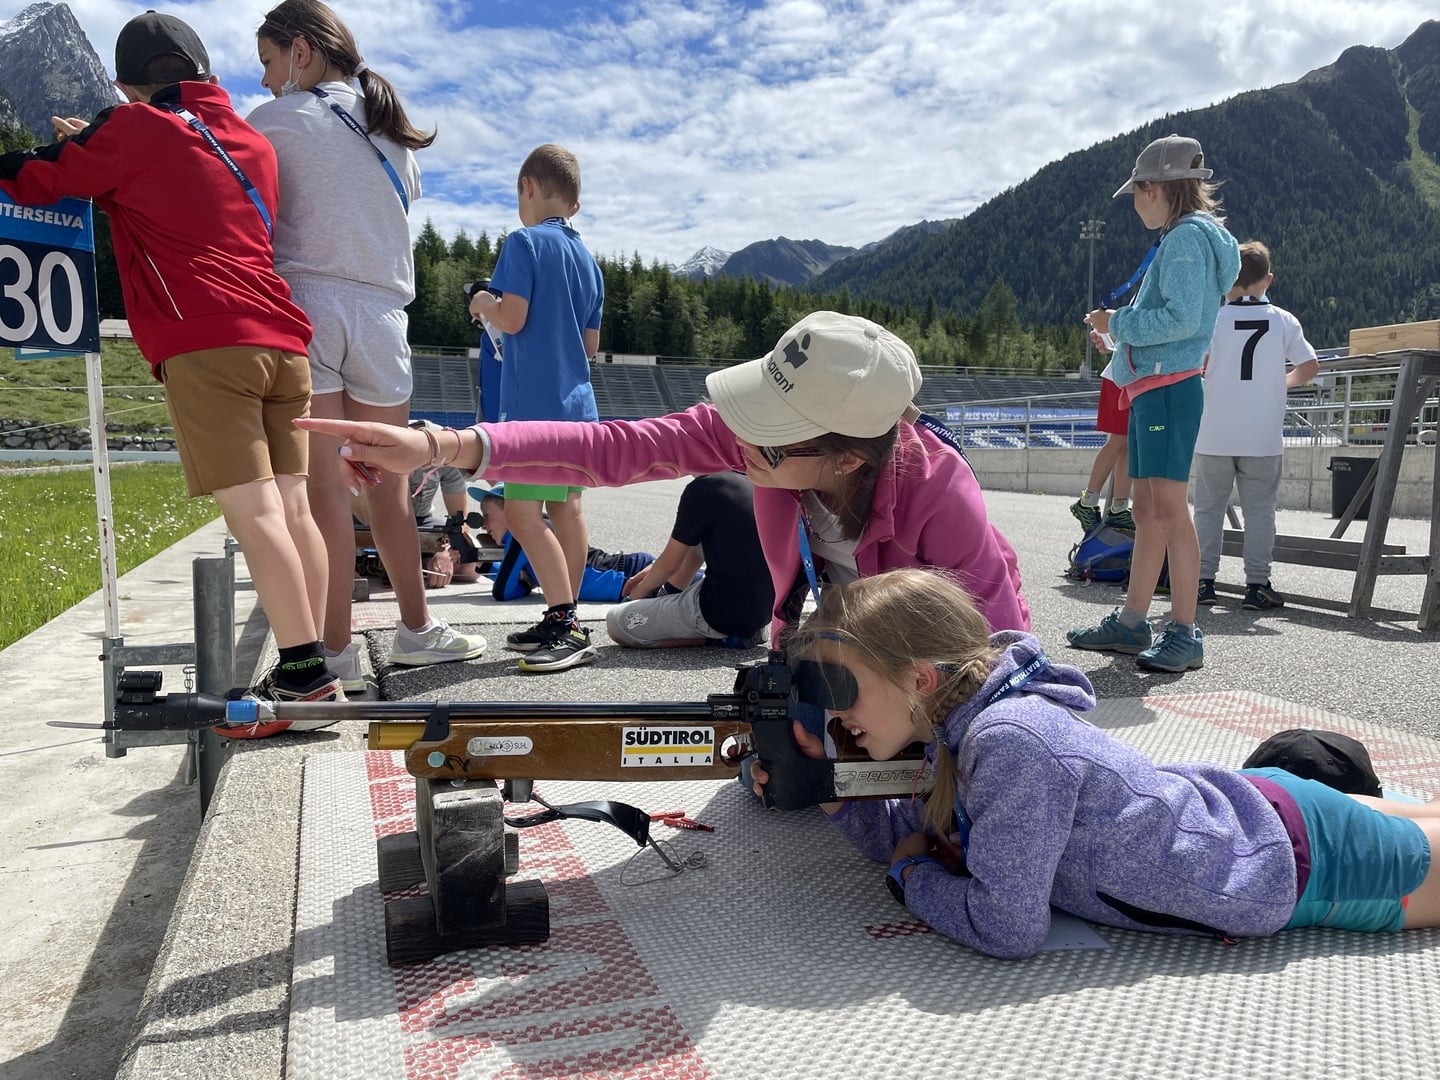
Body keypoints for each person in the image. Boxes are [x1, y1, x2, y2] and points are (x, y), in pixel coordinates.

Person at [752, 568, 1440, 961]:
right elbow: (923, 824)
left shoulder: (1007, 743)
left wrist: (914, 874)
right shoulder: (962, 728)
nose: (833, 713)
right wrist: (829, 788)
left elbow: (1005, 924)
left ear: (921, 680)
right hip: (1260, 814)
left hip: (1291, 858)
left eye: (838, 689)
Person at [296, 310, 1032, 647]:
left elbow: (1000, 649)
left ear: (847, 459)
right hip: (840, 628)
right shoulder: (769, 439)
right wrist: (436, 444)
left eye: (765, 436)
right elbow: (612, 448)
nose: (739, 442)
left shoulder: (943, 493)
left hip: (935, 651)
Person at [1, 11, 342, 734]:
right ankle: (314, 665)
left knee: (252, 514)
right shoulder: (250, 140)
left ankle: (306, 684)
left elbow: (37, 178)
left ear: (128, 84)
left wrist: (88, 140)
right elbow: (183, 173)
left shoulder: (130, 131)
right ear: (203, 73)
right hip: (283, 344)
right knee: (294, 508)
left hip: (207, 344)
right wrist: (99, 140)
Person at [249, 0, 485, 693]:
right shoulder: (395, 137)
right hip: (383, 315)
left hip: (307, 305)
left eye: (267, 62)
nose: (264, 81)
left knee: (324, 489)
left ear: (301, 52)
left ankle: (336, 650)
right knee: (390, 483)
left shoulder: (275, 121)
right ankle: (416, 632)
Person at [1069, 134, 1240, 673]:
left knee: (1167, 511)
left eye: (1138, 193)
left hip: (1169, 390)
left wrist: (1117, 322)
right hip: (1155, 389)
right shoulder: (1187, 237)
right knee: (1145, 511)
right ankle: (1132, 621)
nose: (1137, 204)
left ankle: (1184, 631)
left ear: (1155, 188)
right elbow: (1176, 323)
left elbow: (1183, 319)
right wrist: (1120, 341)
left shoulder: (1186, 239)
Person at [465, 143, 604, 674]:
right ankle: (565, 616)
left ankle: (563, 620)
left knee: (523, 514)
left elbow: (514, 318)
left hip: (534, 411)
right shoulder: (590, 264)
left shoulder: (522, 243)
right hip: (578, 408)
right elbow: (589, 349)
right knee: (568, 511)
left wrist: (483, 302)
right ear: (573, 203)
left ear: (528, 186)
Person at [1194, 241, 1318, 610]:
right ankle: (1257, 585)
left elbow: (1193, 365)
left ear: (1226, 281)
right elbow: (1309, 365)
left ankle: (1201, 582)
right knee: (1260, 511)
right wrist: (1281, 382)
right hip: (1262, 436)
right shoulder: (1283, 320)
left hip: (1214, 433)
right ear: (1269, 280)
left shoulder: (1212, 319)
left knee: (1207, 510)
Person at [610, 472, 773, 649]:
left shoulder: (703, 488)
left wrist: (634, 598)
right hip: (762, 613)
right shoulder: (749, 479)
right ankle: (669, 595)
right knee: (696, 541)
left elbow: (668, 565)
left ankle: (723, 638)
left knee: (617, 622)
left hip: (722, 615)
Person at [470, 484, 666, 612]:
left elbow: (502, 592)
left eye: (486, 516)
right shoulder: (534, 532)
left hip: (629, 573)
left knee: (692, 586)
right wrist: (484, 565)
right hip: (626, 576)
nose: (484, 526)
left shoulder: (519, 533)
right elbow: (516, 588)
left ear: (510, 509)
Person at [1070, 361, 1133, 533]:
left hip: (1130, 377)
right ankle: (1087, 502)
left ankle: (1119, 506)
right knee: (1119, 441)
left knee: (1127, 444)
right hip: (1122, 377)